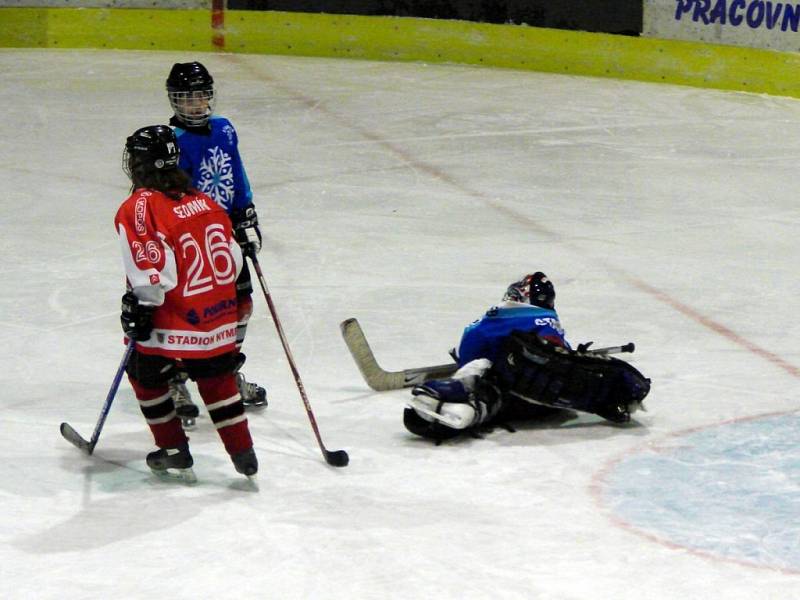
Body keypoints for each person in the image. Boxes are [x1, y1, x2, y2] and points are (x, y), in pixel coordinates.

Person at [115, 124, 258, 481]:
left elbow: (150, 271)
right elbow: (233, 260)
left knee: (143, 373)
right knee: (217, 378)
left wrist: (141, 306)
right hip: (220, 316)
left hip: (176, 318)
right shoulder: (203, 199)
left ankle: (174, 449)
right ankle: (244, 454)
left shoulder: (139, 206)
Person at [404, 272, 651, 441]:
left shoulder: (497, 315)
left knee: (485, 373)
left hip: (515, 382)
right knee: (501, 390)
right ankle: (473, 404)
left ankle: (462, 399)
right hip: (549, 406)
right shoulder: (548, 319)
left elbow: (470, 349)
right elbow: (558, 350)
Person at [163, 61, 267, 427]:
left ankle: (225, 372)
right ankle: (175, 379)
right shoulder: (170, 141)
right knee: (187, 312)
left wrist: (246, 209)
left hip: (226, 236)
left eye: (202, 94)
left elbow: (236, 171)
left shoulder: (224, 128)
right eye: (187, 97)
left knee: (240, 304)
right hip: (193, 241)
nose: (196, 103)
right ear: (175, 100)